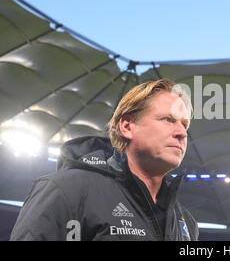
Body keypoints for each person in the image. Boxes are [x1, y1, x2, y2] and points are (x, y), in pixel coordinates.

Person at [10, 79, 198, 241]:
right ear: (127, 126)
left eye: (184, 124)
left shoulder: (186, 223)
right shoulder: (67, 190)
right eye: (168, 119)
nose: (182, 133)